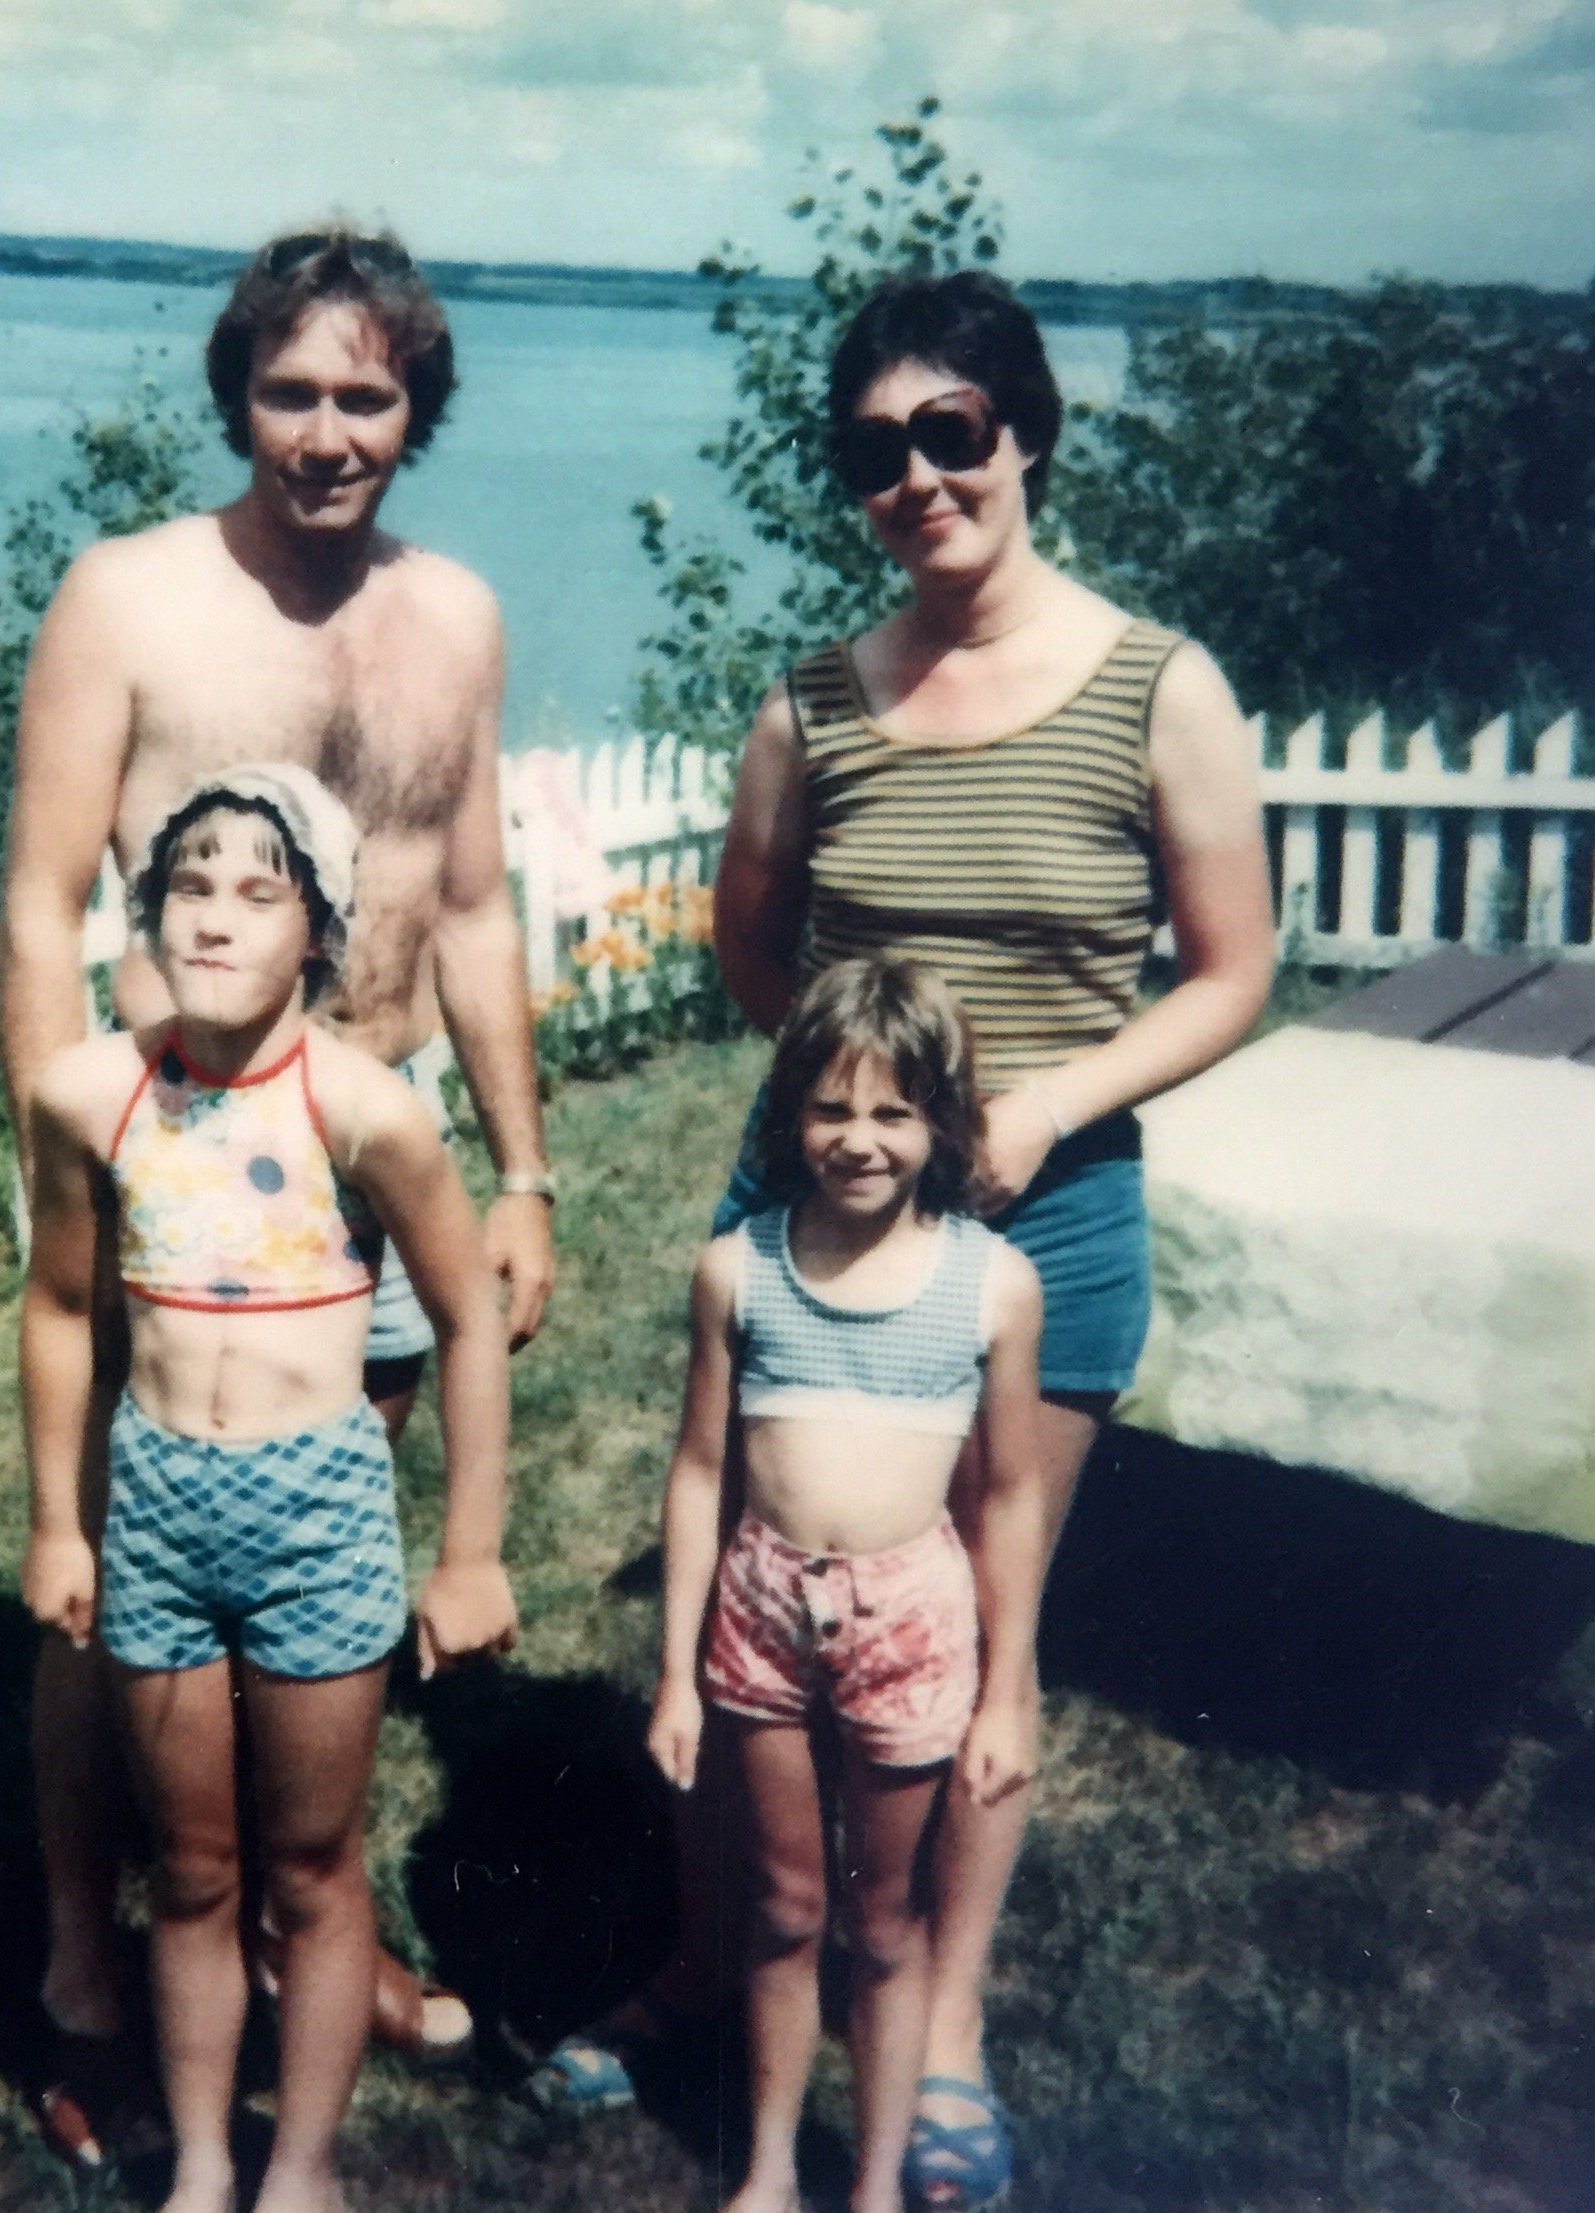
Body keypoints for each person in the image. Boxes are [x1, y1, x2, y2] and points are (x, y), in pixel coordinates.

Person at [543, 270, 1275, 2207]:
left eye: (949, 432)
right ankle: (719, 1951)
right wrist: (844, 1101)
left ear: (1021, 432)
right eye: (873, 451)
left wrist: (1038, 1101)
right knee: (750, 1600)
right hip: (811, 1220)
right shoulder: (813, 699)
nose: (914, 478)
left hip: (1049, 1221)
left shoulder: (1155, 684)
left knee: (957, 1629)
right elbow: (745, 943)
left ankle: (934, 2024)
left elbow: (1235, 971)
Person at [0, 223, 557, 2127]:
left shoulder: (458, 616)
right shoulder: (129, 597)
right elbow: (39, 894)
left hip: (371, 1147)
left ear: (417, 409)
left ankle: (301, 1917)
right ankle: (92, 1959)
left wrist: (525, 1170)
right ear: (239, 394)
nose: (325, 432)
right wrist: (60, 1148)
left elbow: (471, 907)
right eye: (289, 390)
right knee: (111, 1562)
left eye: (366, 395)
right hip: (166, 1156)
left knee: (320, 1560)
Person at [21, 765, 519, 2213]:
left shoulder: (368, 1116)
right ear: (148, 914)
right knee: (187, 1864)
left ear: (322, 932)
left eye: (262, 888)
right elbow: (61, 1309)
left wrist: (468, 1549)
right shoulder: (90, 1098)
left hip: (319, 1521)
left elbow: (470, 1315)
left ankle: (298, 2172)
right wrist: (63, 1519)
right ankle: (195, 2167)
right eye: (191, 882)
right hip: (160, 1513)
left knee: (308, 1868)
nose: (220, 915)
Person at [646, 958, 1047, 2213]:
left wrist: (1006, 1690)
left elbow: (1013, 1495)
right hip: (760, 1615)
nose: (859, 1140)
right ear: (790, 1113)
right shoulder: (738, 1270)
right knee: (783, 1905)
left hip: (914, 1622)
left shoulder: (992, 1284)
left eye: (892, 1111)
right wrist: (676, 1671)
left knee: (885, 1924)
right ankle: (767, 2167)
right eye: (831, 1108)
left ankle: (872, 2180)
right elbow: (701, 1468)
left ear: (941, 1121)